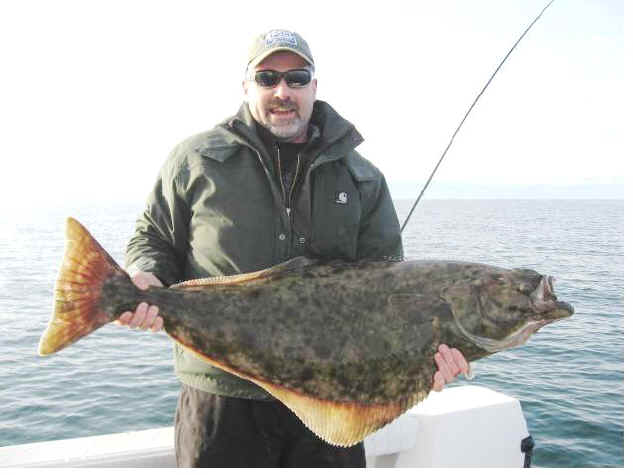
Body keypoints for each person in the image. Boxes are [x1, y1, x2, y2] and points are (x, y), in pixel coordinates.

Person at [116, 29, 470, 467]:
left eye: (296, 78)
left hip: (331, 396)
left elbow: (392, 291)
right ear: (246, 86)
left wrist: (426, 357)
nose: (282, 91)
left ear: (314, 86)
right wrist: (144, 275)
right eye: (267, 78)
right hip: (222, 397)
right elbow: (154, 235)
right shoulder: (195, 159)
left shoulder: (362, 177)